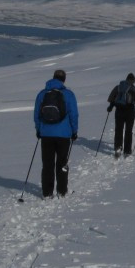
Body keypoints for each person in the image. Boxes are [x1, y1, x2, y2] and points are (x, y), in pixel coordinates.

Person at [34, 69, 79, 198]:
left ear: (53, 77)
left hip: (46, 134)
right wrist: (74, 131)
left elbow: (37, 115)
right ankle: (62, 191)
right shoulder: (68, 94)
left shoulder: (42, 94)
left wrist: (39, 130)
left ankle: (47, 193)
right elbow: (74, 114)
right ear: (64, 80)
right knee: (62, 162)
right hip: (63, 134)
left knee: (47, 164)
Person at [107, 73, 135, 157]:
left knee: (118, 129)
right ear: (134, 81)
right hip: (130, 111)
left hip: (119, 111)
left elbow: (112, 99)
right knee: (128, 131)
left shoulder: (118, 87)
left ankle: (118, 147)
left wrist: (110, 107)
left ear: (126, 79)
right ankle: (127, 150)